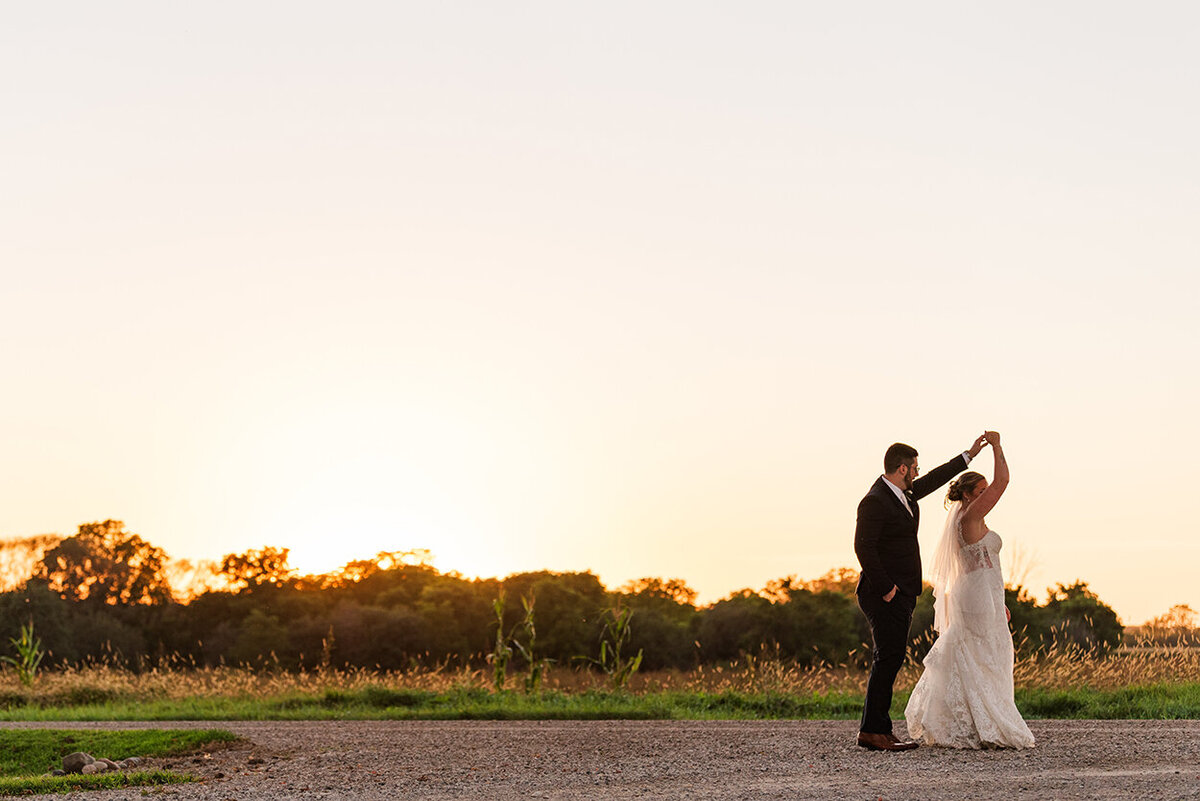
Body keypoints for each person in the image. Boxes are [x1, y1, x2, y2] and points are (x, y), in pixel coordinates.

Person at [853, 436, 986, 751]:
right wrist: (888, 589)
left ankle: (878, 730)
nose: (917, 472)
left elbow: (935, 479)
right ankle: (872, 732)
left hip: (901, 593)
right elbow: (863, 547)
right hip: (882, 594)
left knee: (890, 658)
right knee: (887, 658)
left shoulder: (903, 494)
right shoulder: (875, 500)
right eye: (914, 467)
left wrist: (968, 455)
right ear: (902, 468)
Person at [903, 431, 1035, 749]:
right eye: (981, 491)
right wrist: (998, 446)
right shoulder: (971, 515)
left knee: (981, 655)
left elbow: (984, 566)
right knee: (984, 656)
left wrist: (998, 600)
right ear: (968, 496)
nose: (987, 494)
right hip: (976, 595)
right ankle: (985, 724)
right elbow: (1003, 483)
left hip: (981, 592)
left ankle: (976, 722)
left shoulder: (972, 517)